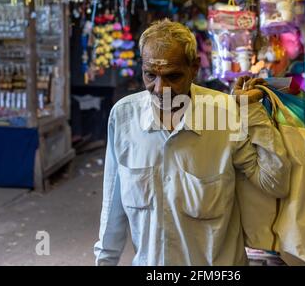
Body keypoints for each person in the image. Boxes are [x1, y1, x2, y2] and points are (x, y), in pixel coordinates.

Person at [94, 19, 291, 266]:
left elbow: (275, 183)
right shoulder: (123, 117)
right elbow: (112, 211)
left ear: (194, 68)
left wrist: (251, 112)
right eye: (150, 75)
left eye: (172, 77)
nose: (160, 89)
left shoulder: (225, 114)